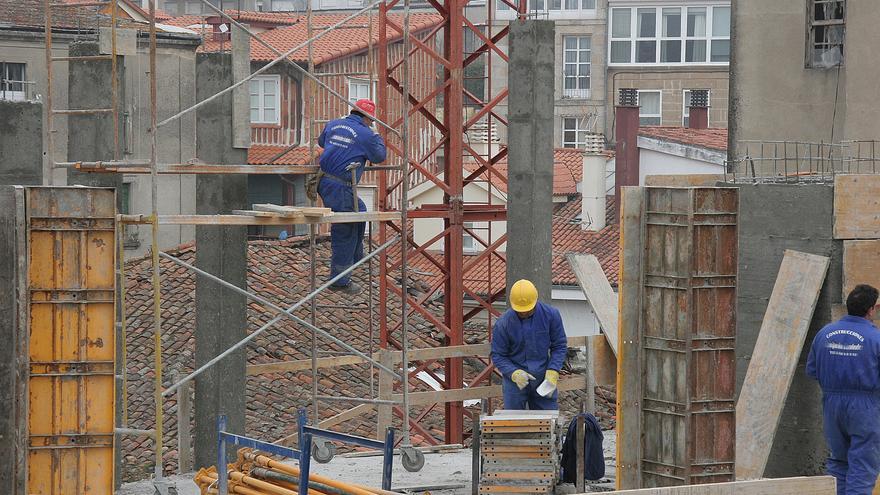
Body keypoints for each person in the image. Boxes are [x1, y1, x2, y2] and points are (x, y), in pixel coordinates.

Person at [807, 284, 880, 495]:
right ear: (871, 309)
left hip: (831, 405)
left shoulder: (824, 333)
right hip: (865, 408)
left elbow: (812, 370)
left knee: (838, 462)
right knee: (863, 465)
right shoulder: (875, 339)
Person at [316, 99, 387, 295]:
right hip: (340, 185)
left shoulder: (333, 124)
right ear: (367, 118)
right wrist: (377, 137)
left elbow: (322, 142)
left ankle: (356, 257)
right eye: (371, 121)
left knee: (360, 211)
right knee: (345, 228)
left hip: (325, 182)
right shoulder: (367, 134)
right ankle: (340, 280)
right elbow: (379, 156)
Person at [490, 279, 568, 410]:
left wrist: (553, 369)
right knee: (514, 422)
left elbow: (559, 345)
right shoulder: (503, 324)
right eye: (520, 311)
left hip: (543, 378)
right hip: (515, 382)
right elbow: (498, 355)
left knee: (547, 421)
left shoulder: (551, 315)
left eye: (528, 310)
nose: (524, 313)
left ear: (535, 300)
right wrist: (513, 373)